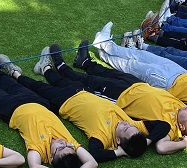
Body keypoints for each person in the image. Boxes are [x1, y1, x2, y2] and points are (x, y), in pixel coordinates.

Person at [0, 52, 98, 168]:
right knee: (10, 84)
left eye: (60, 148)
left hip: (10, 108)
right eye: (68, 146)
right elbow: (92, 162)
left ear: (51, 158)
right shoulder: (69, 142)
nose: (63, 143)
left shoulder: (40, 150)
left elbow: (35, 167)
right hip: (35, 101)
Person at [28, 46, 174, 160]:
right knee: (63, 81)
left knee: (40, 88)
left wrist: (120, 152)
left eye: (125, 129)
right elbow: (164, 125)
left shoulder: (103, 136)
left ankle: (36, 71)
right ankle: (52, 67)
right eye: (130, 126)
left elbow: (95, 154)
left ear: (117, 140)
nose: (126, 123)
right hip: (84, 93)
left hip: (65, 103)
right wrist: (146, 141)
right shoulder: (134, 126)